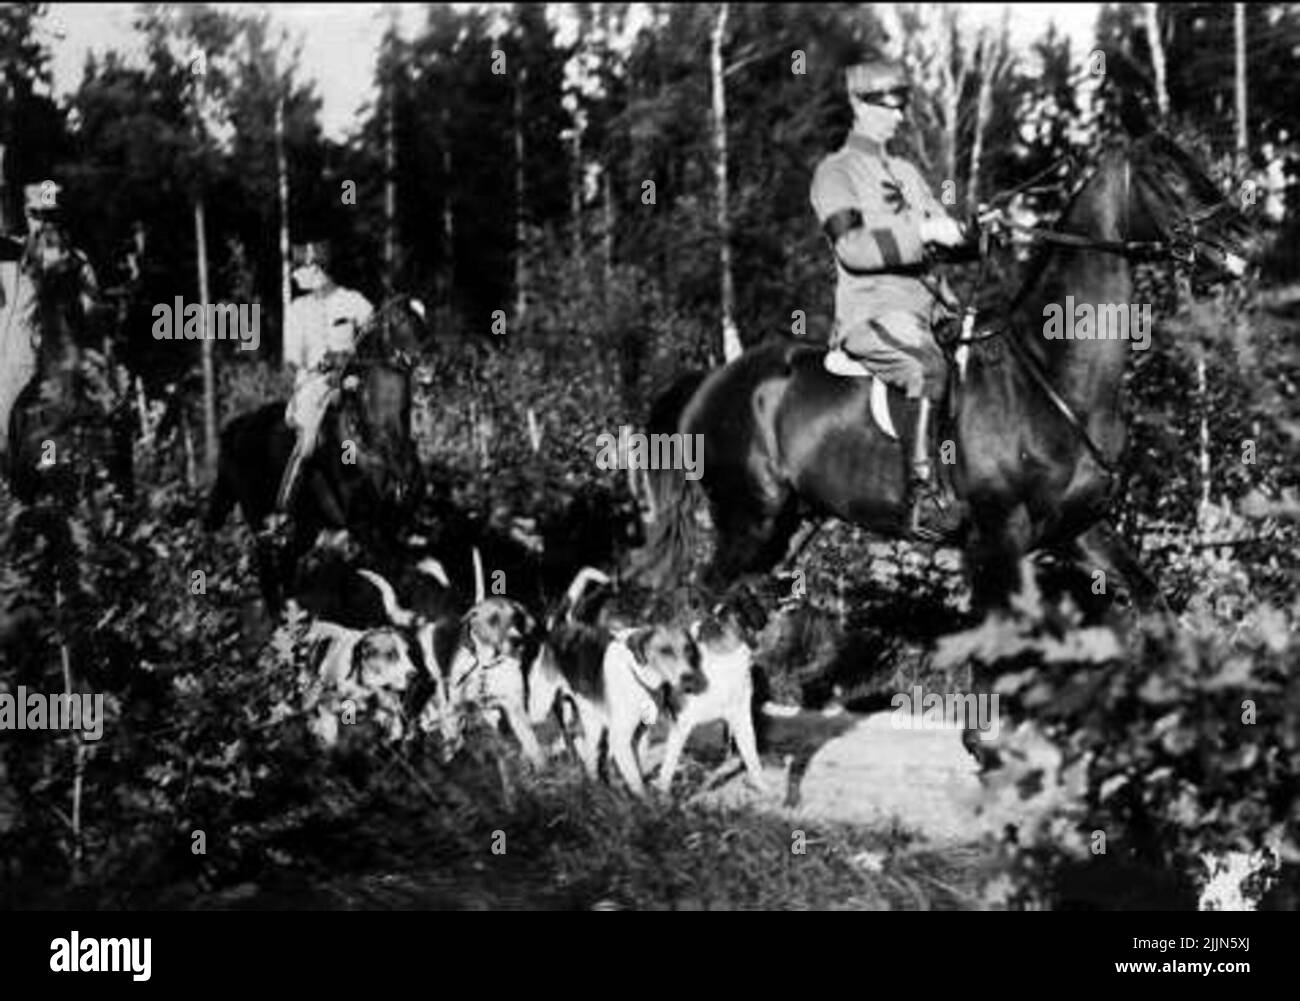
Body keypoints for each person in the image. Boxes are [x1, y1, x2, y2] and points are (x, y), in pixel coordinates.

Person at [810, 56, 975, 532]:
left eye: (903, 105)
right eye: (889, 106)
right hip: (875, 314)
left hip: (933, 311)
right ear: (860, 105)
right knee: (927, 366)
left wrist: (975, 235)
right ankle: (922, 498)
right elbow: (854, 247)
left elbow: (942, 241)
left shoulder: (907, 171)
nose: (901, 116)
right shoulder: (835, 173)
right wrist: (926, 230)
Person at [277, 240, 375, 511]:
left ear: (319, 270)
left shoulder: (354, 302)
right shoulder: (297, 310)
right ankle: (286, 507)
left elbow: (375, 338)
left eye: (304, 269)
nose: (299, 276)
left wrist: (356, 365)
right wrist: (318, 367)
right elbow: (293, 360)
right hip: (312, 387)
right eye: (299, 269)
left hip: (355, 379)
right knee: (308, 439)